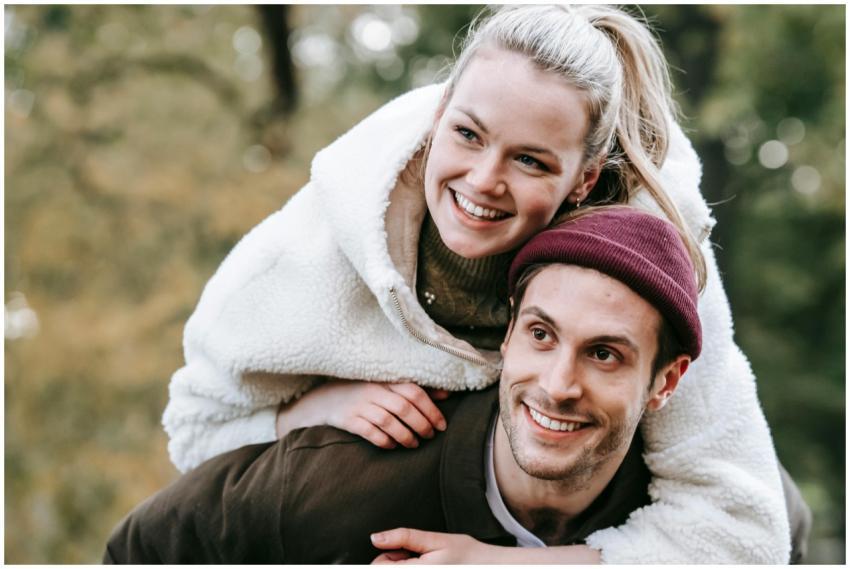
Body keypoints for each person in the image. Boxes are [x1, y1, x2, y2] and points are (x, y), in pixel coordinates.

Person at [161, 5, 792, 563]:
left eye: (530, 160)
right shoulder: (313, 248)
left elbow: (742, 528)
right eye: (468, 134)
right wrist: (305, 411)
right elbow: (193, 428)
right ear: (439, 116)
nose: (485, 180)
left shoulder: (650, 257)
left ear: (584, 177)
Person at [106, 208, 702, 564]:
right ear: (511, 329)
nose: (558, 385)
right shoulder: (336, 475)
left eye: (604, 354)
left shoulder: (689, 511)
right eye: (542, 335)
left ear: (664, 381)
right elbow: (140, 550)